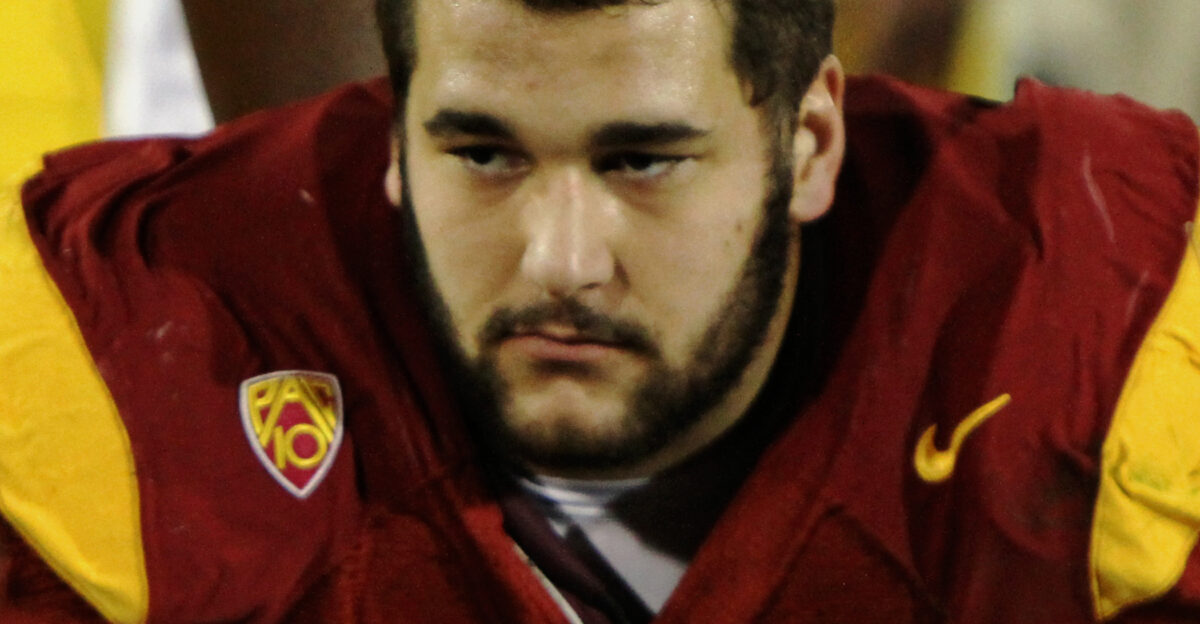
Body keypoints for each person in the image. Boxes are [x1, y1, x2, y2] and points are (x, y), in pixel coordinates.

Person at [2, 0, 1198, 622]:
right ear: (390, 137)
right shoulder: (133, 352)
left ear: (810, 144)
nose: (561, 260)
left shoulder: (1103, 322)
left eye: (642, 163)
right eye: (481, 153)